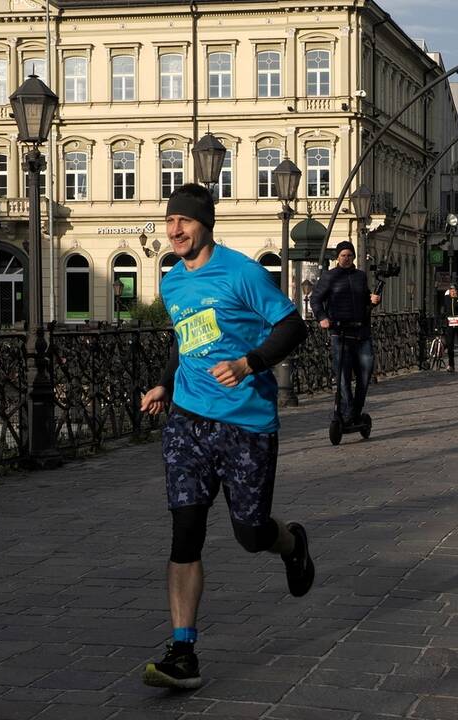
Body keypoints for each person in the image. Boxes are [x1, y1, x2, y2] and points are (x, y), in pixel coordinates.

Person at [138, 183, 313, 690]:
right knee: (184, 534)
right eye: (169, 222)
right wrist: (167, 385)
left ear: (204, 225)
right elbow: (183, 338)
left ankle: (290, 542)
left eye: (184, 222)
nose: (174, 231)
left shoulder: (243, 272)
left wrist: (248, 362)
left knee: (250, 533)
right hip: (188, 423)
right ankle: (183, 651)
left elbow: (292, 326)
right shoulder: (172, 283)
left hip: (246, 423)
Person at [309, 240, 383, 424]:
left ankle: (355, 411)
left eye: (350, 255)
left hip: (362, 332)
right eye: (343, 255)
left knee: (365, 374)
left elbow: (365, 300)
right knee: (342, 375)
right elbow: (316, 300)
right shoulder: (329, 277)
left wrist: (373, 300)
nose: (346, 258)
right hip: (340, 332)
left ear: (354, 257)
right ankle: (347, 409)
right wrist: (322, 318)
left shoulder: (360, 276)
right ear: (337, 258)